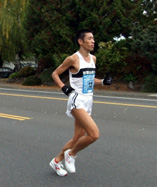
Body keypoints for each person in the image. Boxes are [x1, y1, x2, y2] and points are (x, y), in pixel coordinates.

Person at [49, 29, 112, 177]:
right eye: (89, 38)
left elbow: (89, 80)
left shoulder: (93, 59)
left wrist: (102, 82)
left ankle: (57, 161)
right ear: (80, 41)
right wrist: (63, 87)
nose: (93, 41)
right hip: (76, 100)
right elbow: (55, 74)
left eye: (93, 38)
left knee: (77, 138)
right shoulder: (73, 59)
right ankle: (71, 154)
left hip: (88, 100)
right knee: (94, 134)